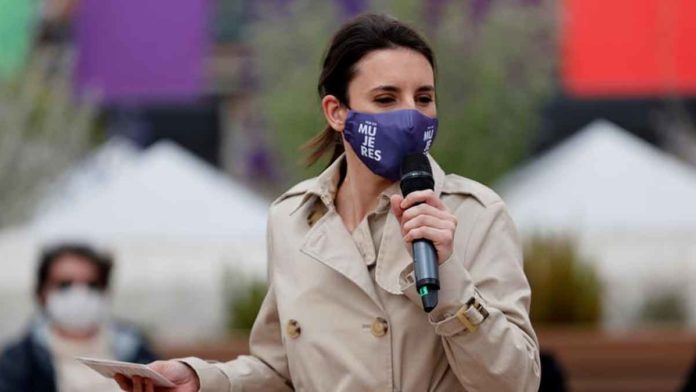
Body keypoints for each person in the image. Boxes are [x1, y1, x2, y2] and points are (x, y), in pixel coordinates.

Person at [116, 13, 540, 392]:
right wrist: (202, 379)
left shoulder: (474, 214)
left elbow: (516, 381)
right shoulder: (292, 218)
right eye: (386, 98)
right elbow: (280, 369)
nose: (411, 115)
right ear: (337, 112)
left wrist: (448, 276)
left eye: (424, 98)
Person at [0, 243, 157, 392]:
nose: (80, 294)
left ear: (105, 291)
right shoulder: (19, 360)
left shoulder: (136, 349)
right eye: (65, 285)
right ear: (42, 292)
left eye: (92, 285)